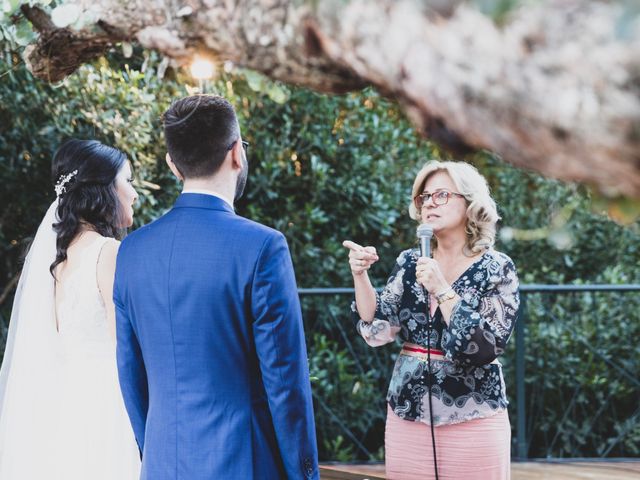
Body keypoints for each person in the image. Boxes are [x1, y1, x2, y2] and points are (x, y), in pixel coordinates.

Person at [114, 94, 319, 480]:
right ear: (238, 153)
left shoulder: (132, 250)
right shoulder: (262, 246)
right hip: (243, 463)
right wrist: (304, 474)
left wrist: (156, 451)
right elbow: (285, 383)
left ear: (174, 166)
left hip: (162, 464)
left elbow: (130, 373)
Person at [343, 160, 520, 480]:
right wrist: (360, 275)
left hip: (474, 415)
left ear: (470, 203)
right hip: (408, 412)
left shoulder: (497, 267)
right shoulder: (410, 261)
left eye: (441, 195)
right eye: (424, 197)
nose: (429, 204)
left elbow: (486, 346)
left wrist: (442, 289)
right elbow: (378, 326)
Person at [0, 139, 141, 479]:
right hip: (107, 406)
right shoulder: (108, 252)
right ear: (105, 189)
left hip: (64, 405)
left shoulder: (56, 262)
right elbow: (126, 349)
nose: (134, 193)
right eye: (128, 181)